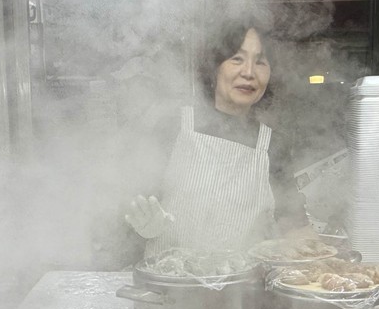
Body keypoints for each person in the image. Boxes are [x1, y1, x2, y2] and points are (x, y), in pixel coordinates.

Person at [125, 21, 308, 254]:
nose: (249, 72)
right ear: (215, 66)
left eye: (260, 62)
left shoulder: (273, 145)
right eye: (237, 59)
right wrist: (144, 225)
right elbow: (129, 203)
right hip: (169, 284)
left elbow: (295, 225)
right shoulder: (171, 126)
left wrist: (314, 255)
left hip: (243, 287)